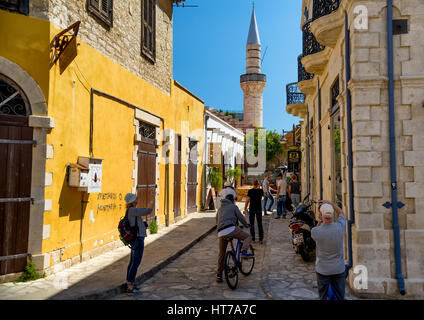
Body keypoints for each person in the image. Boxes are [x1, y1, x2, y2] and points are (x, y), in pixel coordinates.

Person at [311, 200, 346, 300]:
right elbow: (341, 213)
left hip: (322, 270)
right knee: (340, 296)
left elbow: (316, 230)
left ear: (321, 215)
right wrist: (330, 203)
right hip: (338, 269)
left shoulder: (315, 231)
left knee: (323, 296)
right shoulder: (340, 227)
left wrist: (320, 220)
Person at [216, 194, 253, 283]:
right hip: (231, 228)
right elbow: (241, 217)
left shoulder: (220, 209)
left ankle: (219, 275)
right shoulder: (233, 206)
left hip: (221, 232)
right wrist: (246, 224)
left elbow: (217, 221)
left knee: (222, 253)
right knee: (248, 237)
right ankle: (244, 251)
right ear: (232, 200)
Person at [124, 193, 152, 295]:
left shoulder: (131, 210)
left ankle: (130, 283)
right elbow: (147, 211)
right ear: (132, 201)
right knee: (135, 263)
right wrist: (151, 204)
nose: (137, 200)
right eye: (135, 199)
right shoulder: (133, 210)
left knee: (132, 262)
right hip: (137, 239)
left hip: (136, 239)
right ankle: (130, 286)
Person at [243, 180, 265, 244]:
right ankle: (261, 239)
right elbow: (262, 197)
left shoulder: (250, 191)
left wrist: (244, 208)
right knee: (259, 224)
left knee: (252, 224)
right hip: (258, 209)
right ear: (258, 184)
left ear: (253, 184)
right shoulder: (260, 191)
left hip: (252, 209)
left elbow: (247, 200)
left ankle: (253, 239)